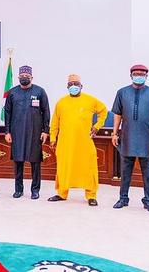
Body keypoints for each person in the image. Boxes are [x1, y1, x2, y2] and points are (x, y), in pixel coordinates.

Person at [111, 64, 149, 213]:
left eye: (142, 74)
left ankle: (148, 201)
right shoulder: (122, 93)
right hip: (127, 138)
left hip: (146, 139)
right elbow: (117, 114)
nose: (139, 76)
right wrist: (114, 133)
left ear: (146, 76)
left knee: (148, 173)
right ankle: (123, 198)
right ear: (131, 75)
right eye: (136, 73)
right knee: (125, 172)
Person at [47, 74, 107, 206]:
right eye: (71, 84)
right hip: (65, 143)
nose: (73, 86)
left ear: (81, 86)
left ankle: (91, 196)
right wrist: (52, 138)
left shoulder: (90, 100)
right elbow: (55, 122)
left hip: (84, 143)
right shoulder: (61, 102)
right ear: (67, 87)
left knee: (88, 167)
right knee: (64, 166)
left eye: (76, 84)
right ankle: (62, 194)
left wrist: (97, 126)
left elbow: (103, 111)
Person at [4, 65, 50, 200]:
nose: (25, 78)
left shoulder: (40, 91)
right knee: (18, 162)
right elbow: (7, 112)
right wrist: (7, 132)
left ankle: (35, 190)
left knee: (35, 162)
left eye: (27, 77)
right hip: (17, 133)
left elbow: (46, 111)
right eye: (22, 77)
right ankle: (18, 190)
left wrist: (45, 131)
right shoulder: (12, 93)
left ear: (32, 77)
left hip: (35, 133)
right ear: (18, 78)